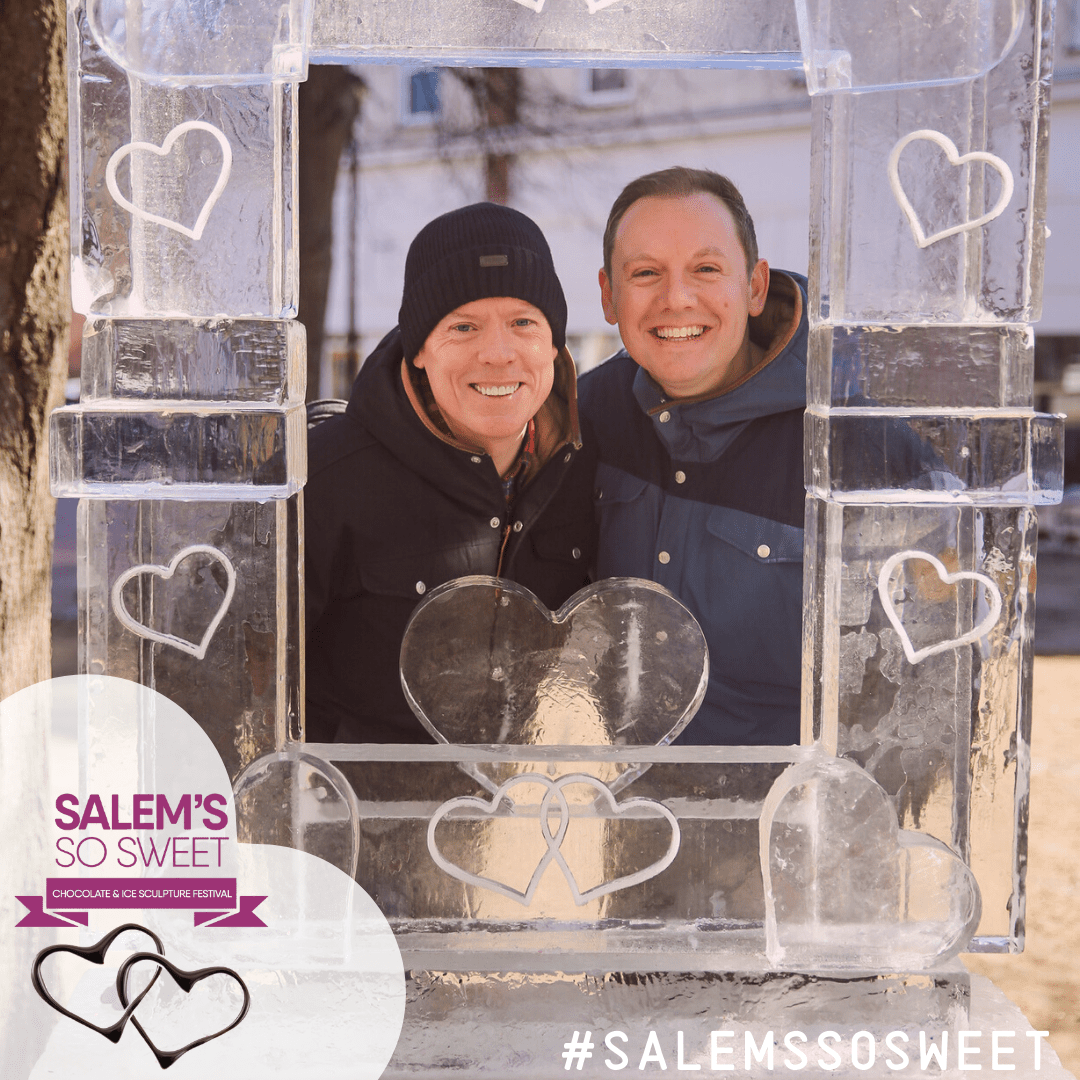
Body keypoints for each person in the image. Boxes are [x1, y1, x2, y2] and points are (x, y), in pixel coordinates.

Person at [305, 203, 596, 743]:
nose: (498, 353)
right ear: (419, 349)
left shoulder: (586, 466)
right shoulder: (324, 478)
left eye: (523, 323)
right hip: (361, 816)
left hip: (532, 813)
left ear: (553, 344)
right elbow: (244, 675)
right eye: (463, 326)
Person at [578, 167, 807, 746]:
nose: (676, 299)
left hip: (777, 821)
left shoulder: (849, 440)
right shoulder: (587, 417)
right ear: (609, 295)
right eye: (646, 273)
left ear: (755, 287)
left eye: (706, 270)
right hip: (610, 813)